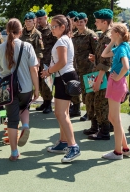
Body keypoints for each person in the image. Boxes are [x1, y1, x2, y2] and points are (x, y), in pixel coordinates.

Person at [0, 18, 39, 161]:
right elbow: (34, 70)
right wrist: (36, 89)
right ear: (21, 31)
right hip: (25, 87)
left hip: (9, 89)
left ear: (6, 31)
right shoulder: (27, 46)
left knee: (12, 121)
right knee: (24, 107)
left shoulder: (1, 47)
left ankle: (14, 152)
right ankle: (25, 125)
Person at [41, 14, 81, 163]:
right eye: (51, 26)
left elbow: (63, 62)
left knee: (61, 113)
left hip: (65, 77)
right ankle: (64, 142)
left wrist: (48, 72)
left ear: (63, 27)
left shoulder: (63, 40)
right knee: (62, 113)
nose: (52, 29)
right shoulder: (64, 39)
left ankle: (73, 146)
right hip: (63, 77)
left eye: (54, 26)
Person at [101, 23, 130, 159]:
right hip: (117, 83)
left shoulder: (121, 48)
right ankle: (124, 148)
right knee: (113, 118)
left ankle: (117, 152)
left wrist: (118, 76)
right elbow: (104, 54)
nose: (110, 34)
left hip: (116, 83)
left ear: (118, 34)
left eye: (112, 32)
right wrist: (112, 42)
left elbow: (126, 66)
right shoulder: (122, 47)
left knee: (115, 119)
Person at [84, 9, 113, 140]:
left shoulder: (108, 37)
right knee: (91, 100)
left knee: (101, 103)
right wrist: (94, 59)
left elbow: (107, 62)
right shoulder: (103, 35)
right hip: (95, 72)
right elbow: (102, 57)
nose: (95, 23)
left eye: (97, 21)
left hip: (101, 75)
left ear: (105, 22)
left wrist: (99, 79)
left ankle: (104, 131)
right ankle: (95, 126)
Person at [70, 12, 98, 120]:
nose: (79, 24)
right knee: (80, 90)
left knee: (89, 92)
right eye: (77, 22)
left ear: (85, 21)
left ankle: (89, 113)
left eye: (81, 21)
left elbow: (97, 52)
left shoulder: (91, 35)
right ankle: (79, 109)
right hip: (78, 68)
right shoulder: (74, 35)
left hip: (89, 69)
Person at [35, 9, 58, 114]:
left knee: (47, 83)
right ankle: (44, 101)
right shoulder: (36, 30)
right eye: (37, 18)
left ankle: (48, 104)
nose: (38, 20)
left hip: (48, 61)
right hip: (38, 60)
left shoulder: (51, 29)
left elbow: (56, 45)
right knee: (40, 82)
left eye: (40, 18)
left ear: (45, 17)